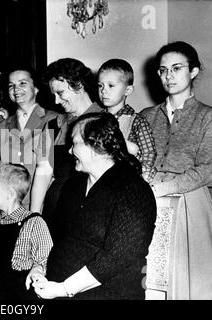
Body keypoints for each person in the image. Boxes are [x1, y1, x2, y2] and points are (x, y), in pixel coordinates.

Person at [31, 113, 156, 300]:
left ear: (97, 145)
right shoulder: (73, 186)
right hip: (55, 288)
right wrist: (39, 266)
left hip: (106, 293)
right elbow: (55, 236)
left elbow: (118, 256)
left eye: (75, 143)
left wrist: (64, 289)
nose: (70, 151)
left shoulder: (134, 190)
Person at [140, 41, 212, 299]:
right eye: (162, 70)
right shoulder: (146, 116)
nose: (168, 76)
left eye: (176, 68)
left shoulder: (207, 116)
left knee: (189, 285)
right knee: (152, 284)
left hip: (190, 204)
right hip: (149, 202)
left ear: (193, 71)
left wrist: (162, 187)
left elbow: (207, 170)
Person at [0, 164, 53, 300]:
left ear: (10, 194)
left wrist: (37, 270)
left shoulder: (34, 222)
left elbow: (44, 257)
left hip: (20, 294)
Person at [42, 58, 103, 221]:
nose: (56, 101)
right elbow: (42, 174)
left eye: (60, 93)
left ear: (79, 84)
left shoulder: (104, 121)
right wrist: (34, 217)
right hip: (53, 212)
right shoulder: (51, 125)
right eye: (53, 95)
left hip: (86, 214)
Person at [0, 65, 57, 212]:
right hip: (12, 206)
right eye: (11, 85)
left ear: (36, 88)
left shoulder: (53, 120)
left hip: (47, 204)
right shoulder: (1, 127)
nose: (16, 89)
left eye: (22, 83)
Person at [98, 58, 156, 183]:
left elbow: (149, 154)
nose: (103, 90)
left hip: (127, 179)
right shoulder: (96, 119)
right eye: (100, 85)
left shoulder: (137, 121)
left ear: (128, 90)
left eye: (111, 86)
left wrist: (142, 179)